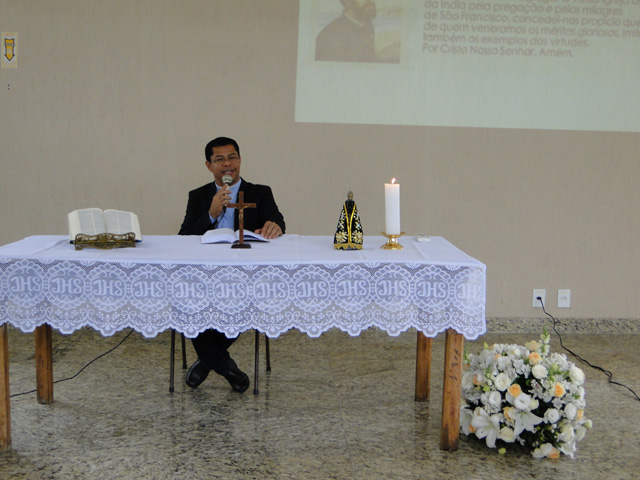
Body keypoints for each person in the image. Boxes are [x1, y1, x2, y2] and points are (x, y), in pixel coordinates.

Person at [178, 136, 285, 393]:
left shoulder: (260, 192)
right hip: (205, 272)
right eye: (220, 160)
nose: (227, 164)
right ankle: (224, 365)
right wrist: (211, 214)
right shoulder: (198, 196)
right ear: (209, 165)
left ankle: (207, 361)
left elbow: (277, 221)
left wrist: (275, 226)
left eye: (232, 157)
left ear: (239, 160)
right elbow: (183, 237)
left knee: (242, 300)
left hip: (245, 272)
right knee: (188, 299)